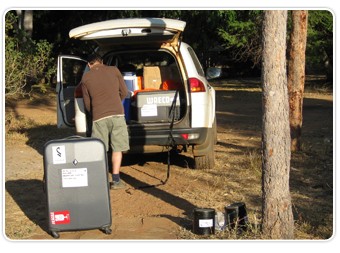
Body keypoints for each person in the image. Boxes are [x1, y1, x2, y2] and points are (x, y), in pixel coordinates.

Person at [81, 53, 129, 190]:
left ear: (89, 64)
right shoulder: (114, 70)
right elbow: (124, 92)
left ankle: (101, 181)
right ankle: (116, 180)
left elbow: (87, 103)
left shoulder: (86, 77)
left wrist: (96, 111)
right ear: (101, 62)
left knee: (99, 149)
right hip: (117, 114)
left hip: (99, 117)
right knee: (117, 148)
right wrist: (115, 104)